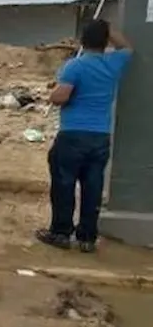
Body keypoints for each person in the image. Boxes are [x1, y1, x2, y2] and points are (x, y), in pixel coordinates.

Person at [36, 20, 132, 254]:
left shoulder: (74, 66)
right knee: (92, 187)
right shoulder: (114, 64)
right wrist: (109, 32)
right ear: (105, 41)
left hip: (73, 134)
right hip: (100, 137)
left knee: (64, 184)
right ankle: (87, 238)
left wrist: (52, 94)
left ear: (82, 40)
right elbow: (128, 47)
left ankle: (60, 232)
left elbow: (61, 97)